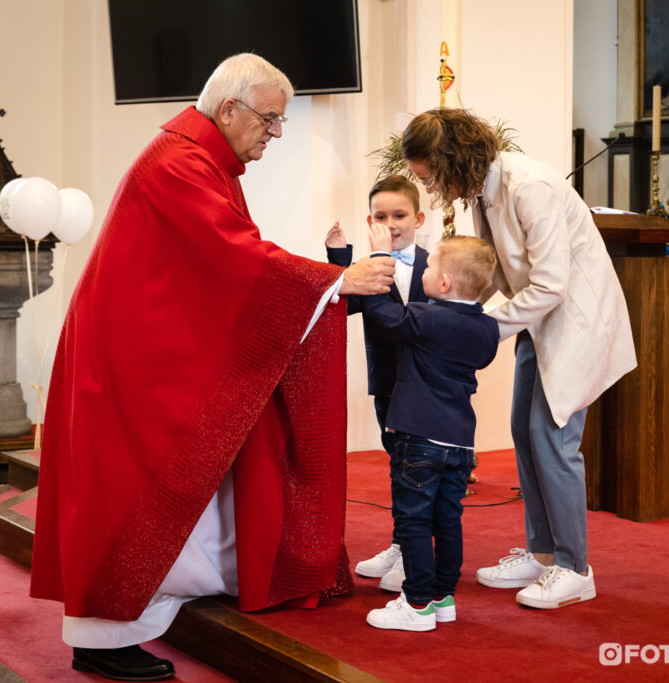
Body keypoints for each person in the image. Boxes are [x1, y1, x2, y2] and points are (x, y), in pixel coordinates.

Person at [29, 53, 395, 682]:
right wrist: (336, 280)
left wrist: (322, 284)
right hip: (131, 363)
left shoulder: (199, 158)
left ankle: (163, 598)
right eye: (270, 121)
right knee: (133, 489)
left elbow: (228, 263)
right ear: (229, 108)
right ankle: (103, 638)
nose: (274, 136)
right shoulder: (180, 163)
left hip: (138, 350)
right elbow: (238, 260)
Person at [400, 108, 636, 610]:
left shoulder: (530, 187)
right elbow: (500, 273)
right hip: (537, 320)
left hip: (574, 320)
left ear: (452, 159)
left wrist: (481, 331)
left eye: (430, 176)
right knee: (522, 433)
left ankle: (575, 568)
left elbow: (551, 283)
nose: (432, 186)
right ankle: (543, 553)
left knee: (553, 440)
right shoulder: (484, 189)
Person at [360, 226, 500, 631]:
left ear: (443, 282)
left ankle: (417, 604)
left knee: (413, 521)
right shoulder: (487, 329)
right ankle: (442, 597)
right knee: (447, 520)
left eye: (429, 267)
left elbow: (382, 314)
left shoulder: (426, 316)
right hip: (459, 443)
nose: (422, 272)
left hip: (418, 437)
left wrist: (378, 257)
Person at [324, 175, 429, 593]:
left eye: (400, 215)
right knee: (396, 465)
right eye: (381, 216)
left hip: (425, 385)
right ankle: (402, 542)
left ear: (418, 218)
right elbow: (341, 305)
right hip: (387, 382)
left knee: (417, 472)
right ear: (370, 221)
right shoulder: (367, 267)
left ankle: (417, 551)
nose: (391, 224)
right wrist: (338, 257)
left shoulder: (435, 264)